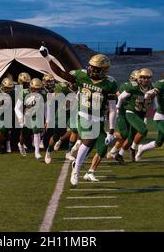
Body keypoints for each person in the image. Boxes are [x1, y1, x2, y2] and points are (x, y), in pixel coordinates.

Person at [42, 46, 118, 186]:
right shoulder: (82, 75)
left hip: (99, 119)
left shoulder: (110, 84)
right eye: (91, 67)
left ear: (104, 71)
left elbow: (113, 109)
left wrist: (111, 130)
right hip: (82, 114)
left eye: (96, 69)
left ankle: (82, 166)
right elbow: (60, 72)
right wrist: (47, 57)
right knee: (88, 140)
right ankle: (76, 171)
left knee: (100, 146)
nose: (92, 70)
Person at [15, 78, 47, 159]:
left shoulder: (43, 93)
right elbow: (17, 108)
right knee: (24, 135)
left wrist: (47, 119)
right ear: (30, 87)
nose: (35, 91)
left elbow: (47, 107)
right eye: (34, 89)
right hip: (26, 115)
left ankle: (37, 151)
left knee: (36, 131)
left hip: (37, 115)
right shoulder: (24, 93)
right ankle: (21, 144)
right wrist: (20, 117)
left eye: (37, 89)